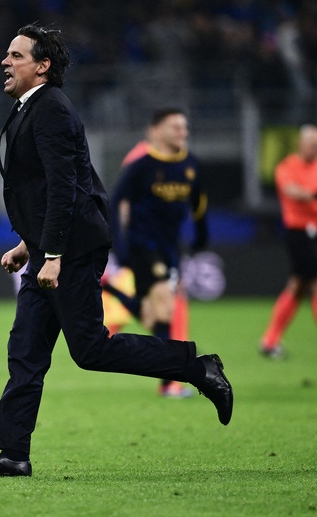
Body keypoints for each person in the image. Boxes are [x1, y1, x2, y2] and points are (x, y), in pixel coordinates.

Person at [0, 23, 233, 478]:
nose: (5, 62)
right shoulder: (34, 107)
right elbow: (47, 189)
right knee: (25, 352)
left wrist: (54, 255)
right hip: (49, 249)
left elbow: (66, 188)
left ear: (42, 66)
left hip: (70, 251)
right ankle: (13, 453)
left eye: (16, 55)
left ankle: (198, 368)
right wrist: (29, 244)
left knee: (90, 350)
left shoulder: (51, 110)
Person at [106, 108, 209, 399]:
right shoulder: (141, 164)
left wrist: (202, 234)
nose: (182, 132)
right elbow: (116, 202)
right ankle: (172, 379)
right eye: (176, 127)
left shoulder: (190, 163)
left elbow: (199, 202)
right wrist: (119, 245)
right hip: (144, 245)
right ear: (157, 130)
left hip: (170, 247)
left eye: (184, 127)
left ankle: (111, 290)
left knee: (155, 318)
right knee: (165, 305)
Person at [259, 125, 317, 359]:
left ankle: (269, 341)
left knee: (297, 287)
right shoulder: (287, 167)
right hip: (298, 233)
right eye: (313, 145)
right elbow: (292, 192)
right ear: (301, 144)